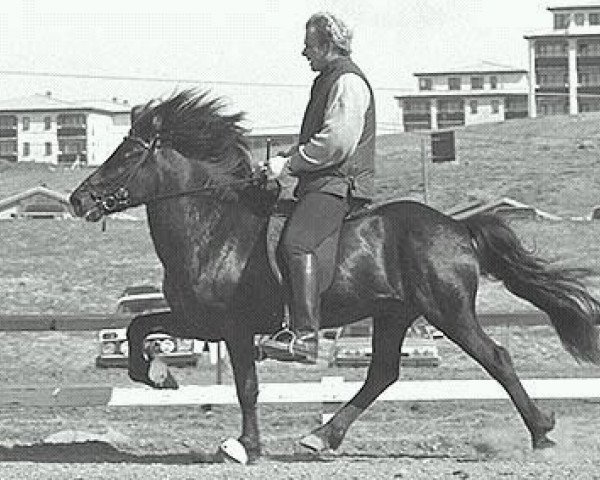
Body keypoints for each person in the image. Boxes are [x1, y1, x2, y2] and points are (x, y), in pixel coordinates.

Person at [262, 12, 376, 364]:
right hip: (321, 183)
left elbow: (336, 143)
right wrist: (288, 156)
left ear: (327, 46)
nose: (303, 52)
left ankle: (306, 336)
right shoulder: (328, 79)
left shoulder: (347, 82)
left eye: (309, 46)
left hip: (338, 185)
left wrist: (292, 164)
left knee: (298, 243)